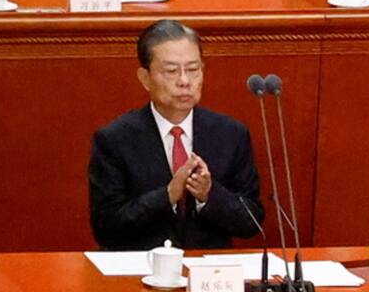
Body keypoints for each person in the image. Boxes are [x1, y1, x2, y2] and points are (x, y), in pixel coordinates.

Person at [88, 21, 266, 252]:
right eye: (171, 71)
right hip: (140, 269)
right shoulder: (115, 139)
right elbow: (106, 228)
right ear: (145, 77)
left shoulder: (230, 133)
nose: (184, 81)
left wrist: (208, 195)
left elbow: (251, 222)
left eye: (193, 69)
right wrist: (168, 196)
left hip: (208, 273)